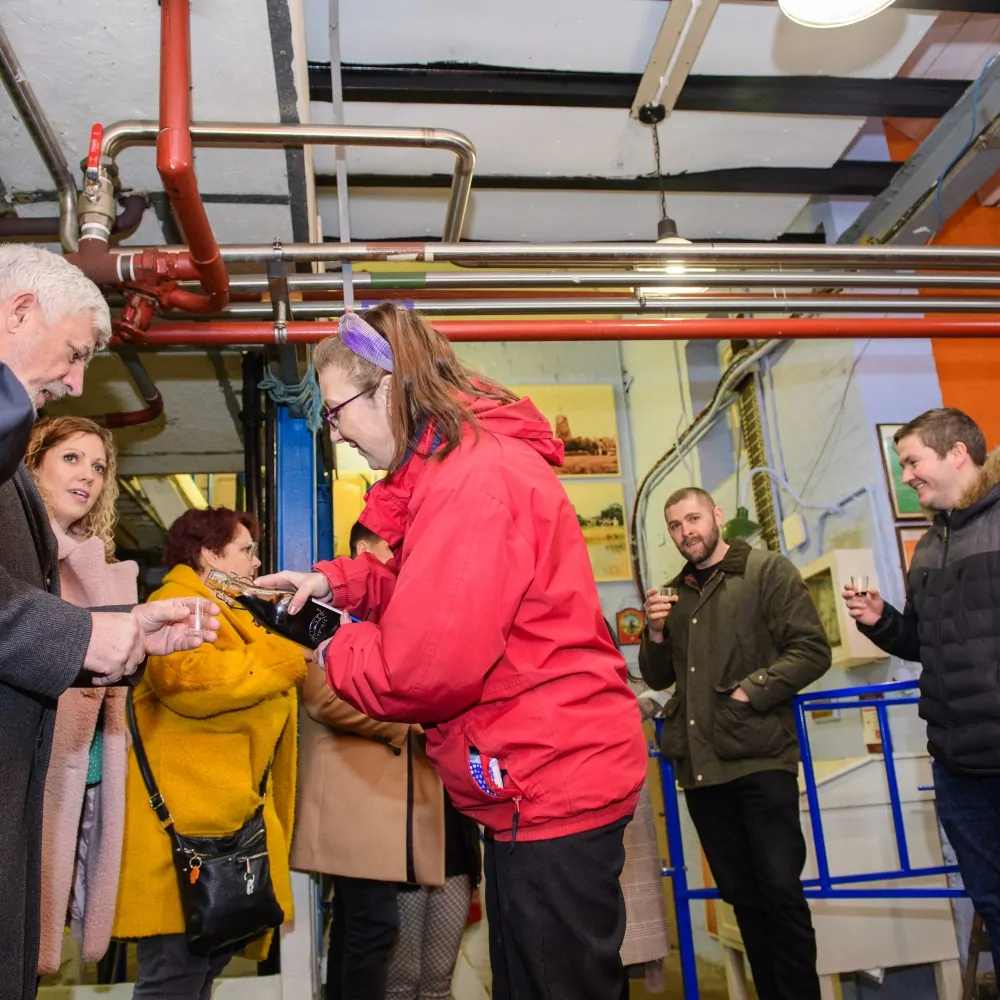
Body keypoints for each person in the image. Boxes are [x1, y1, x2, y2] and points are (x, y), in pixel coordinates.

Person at [258, 304, 647, 1000]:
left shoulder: (474, 481)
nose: (336, 429)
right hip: (537, 776)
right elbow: (423, 588)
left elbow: (423, 670)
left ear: (385, 389)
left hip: (550, 775)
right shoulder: (457, 472)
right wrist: (333, 582)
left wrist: (331, 644)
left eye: (337, 408)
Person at [0, 245, 219, 1000]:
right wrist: (87, 637)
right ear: (20, 312)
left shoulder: (89, 549)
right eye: (74, 353)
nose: (76, 380)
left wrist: (133, 637)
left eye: (99, 465)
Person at [639, 487, 831, 1000]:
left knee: (781, 894)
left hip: (761, 758)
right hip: (702, 770)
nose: (687, 532)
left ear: (717, 516)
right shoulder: (673, 594)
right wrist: (655, 632)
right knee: (743, 899)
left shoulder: (766, 571)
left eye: (694, 519)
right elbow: (658, 678)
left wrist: (752, 691)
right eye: (676, 526)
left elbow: (812, 650)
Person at [113, 507, 307, 998]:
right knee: (173, 980)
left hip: (220, 826)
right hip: (186, 834)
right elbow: (189, 683)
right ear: (207, 553)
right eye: (246, 550)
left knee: (195, 976)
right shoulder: (178, 603)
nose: (256, 562)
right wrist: (285, 656)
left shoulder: (230, 608)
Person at [292, 521, 480, 1000]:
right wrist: (414, 718)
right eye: (392, 548)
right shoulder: (328, 610)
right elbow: (322, 694)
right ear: (363, 550)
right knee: (372, 937)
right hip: (366, 804)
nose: (403, 558)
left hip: (421, 801)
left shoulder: (410, 609)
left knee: (391, 945)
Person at [842, 407, 1000, 972]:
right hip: (959, 766)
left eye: (912, 461)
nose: (906, 475)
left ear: (957, 452)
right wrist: (881, 620)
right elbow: (923, 643)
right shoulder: (930, 546)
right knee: (994, 907)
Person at [25, 417, 137, 976]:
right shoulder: (21, 560)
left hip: (86, 770)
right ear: (31, 464)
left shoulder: (106, 570)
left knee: (39, 944)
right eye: (71, 458)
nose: (88, 476)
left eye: (98, 467)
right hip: (27, 773)